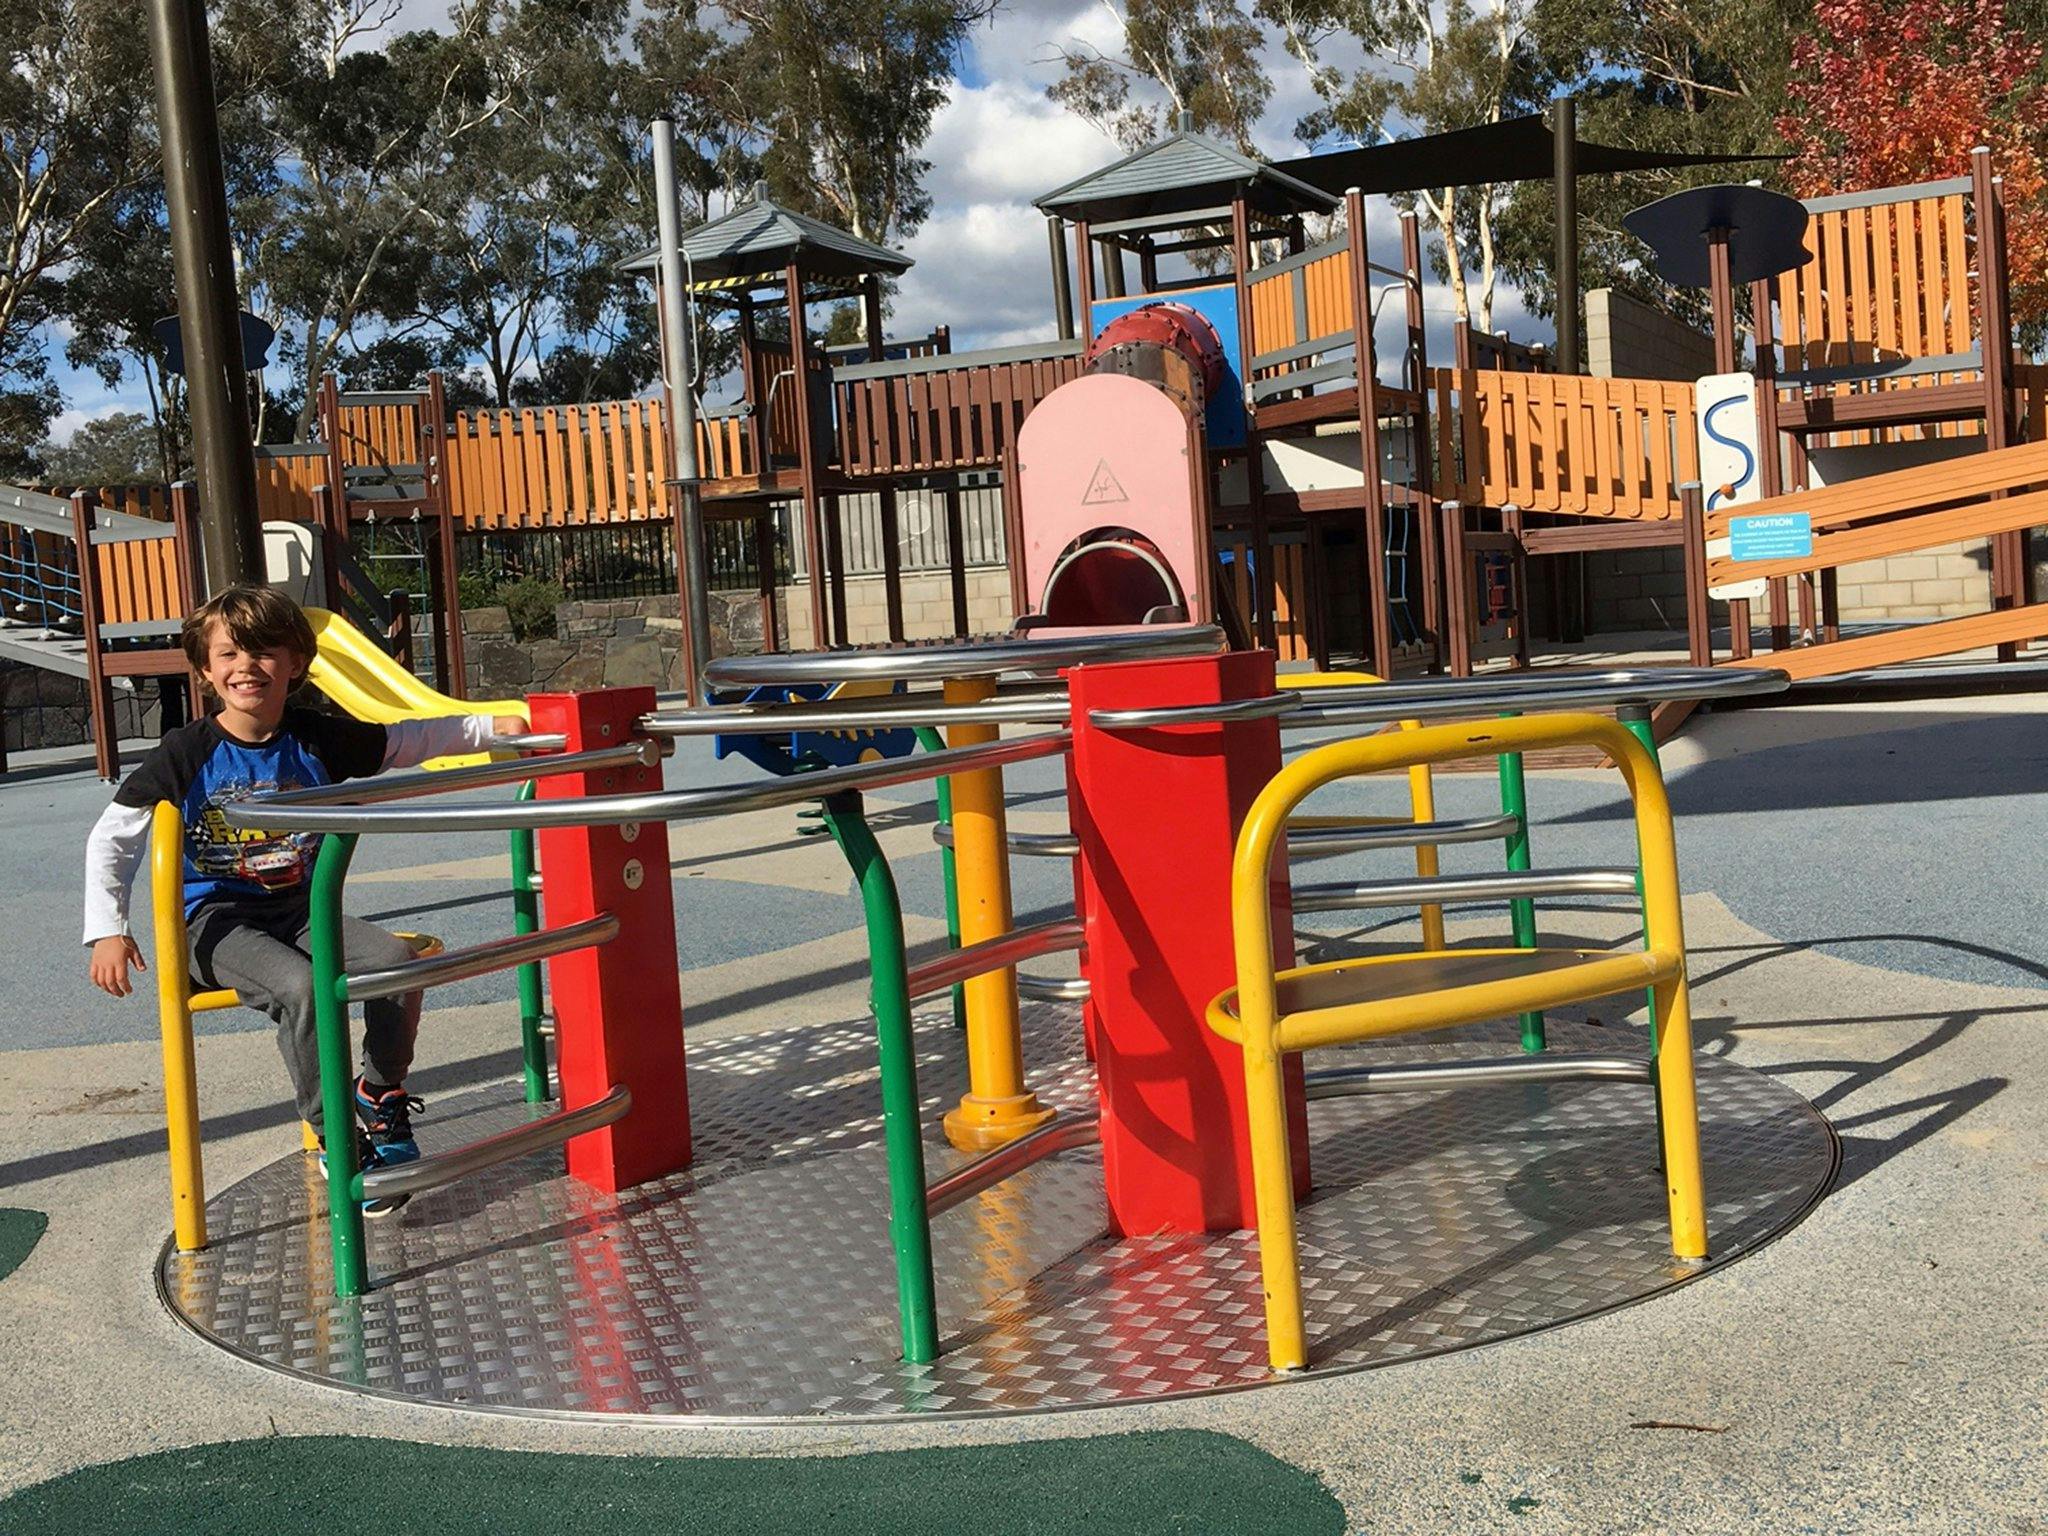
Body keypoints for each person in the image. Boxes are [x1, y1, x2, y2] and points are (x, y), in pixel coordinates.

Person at [83, 584, 524, 1210]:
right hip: (214, 922)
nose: (247, 667)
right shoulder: (187, 753)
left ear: (296, 663)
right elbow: (114, 836)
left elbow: (405, 742)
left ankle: (378, 1093)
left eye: (265, 651)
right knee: (301, 987)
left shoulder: (315, 738)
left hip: (296, 909)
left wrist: (485, 726)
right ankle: (334, 1134)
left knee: (396, 965)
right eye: (229, 653)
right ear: (206, 671)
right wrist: (108, 927)